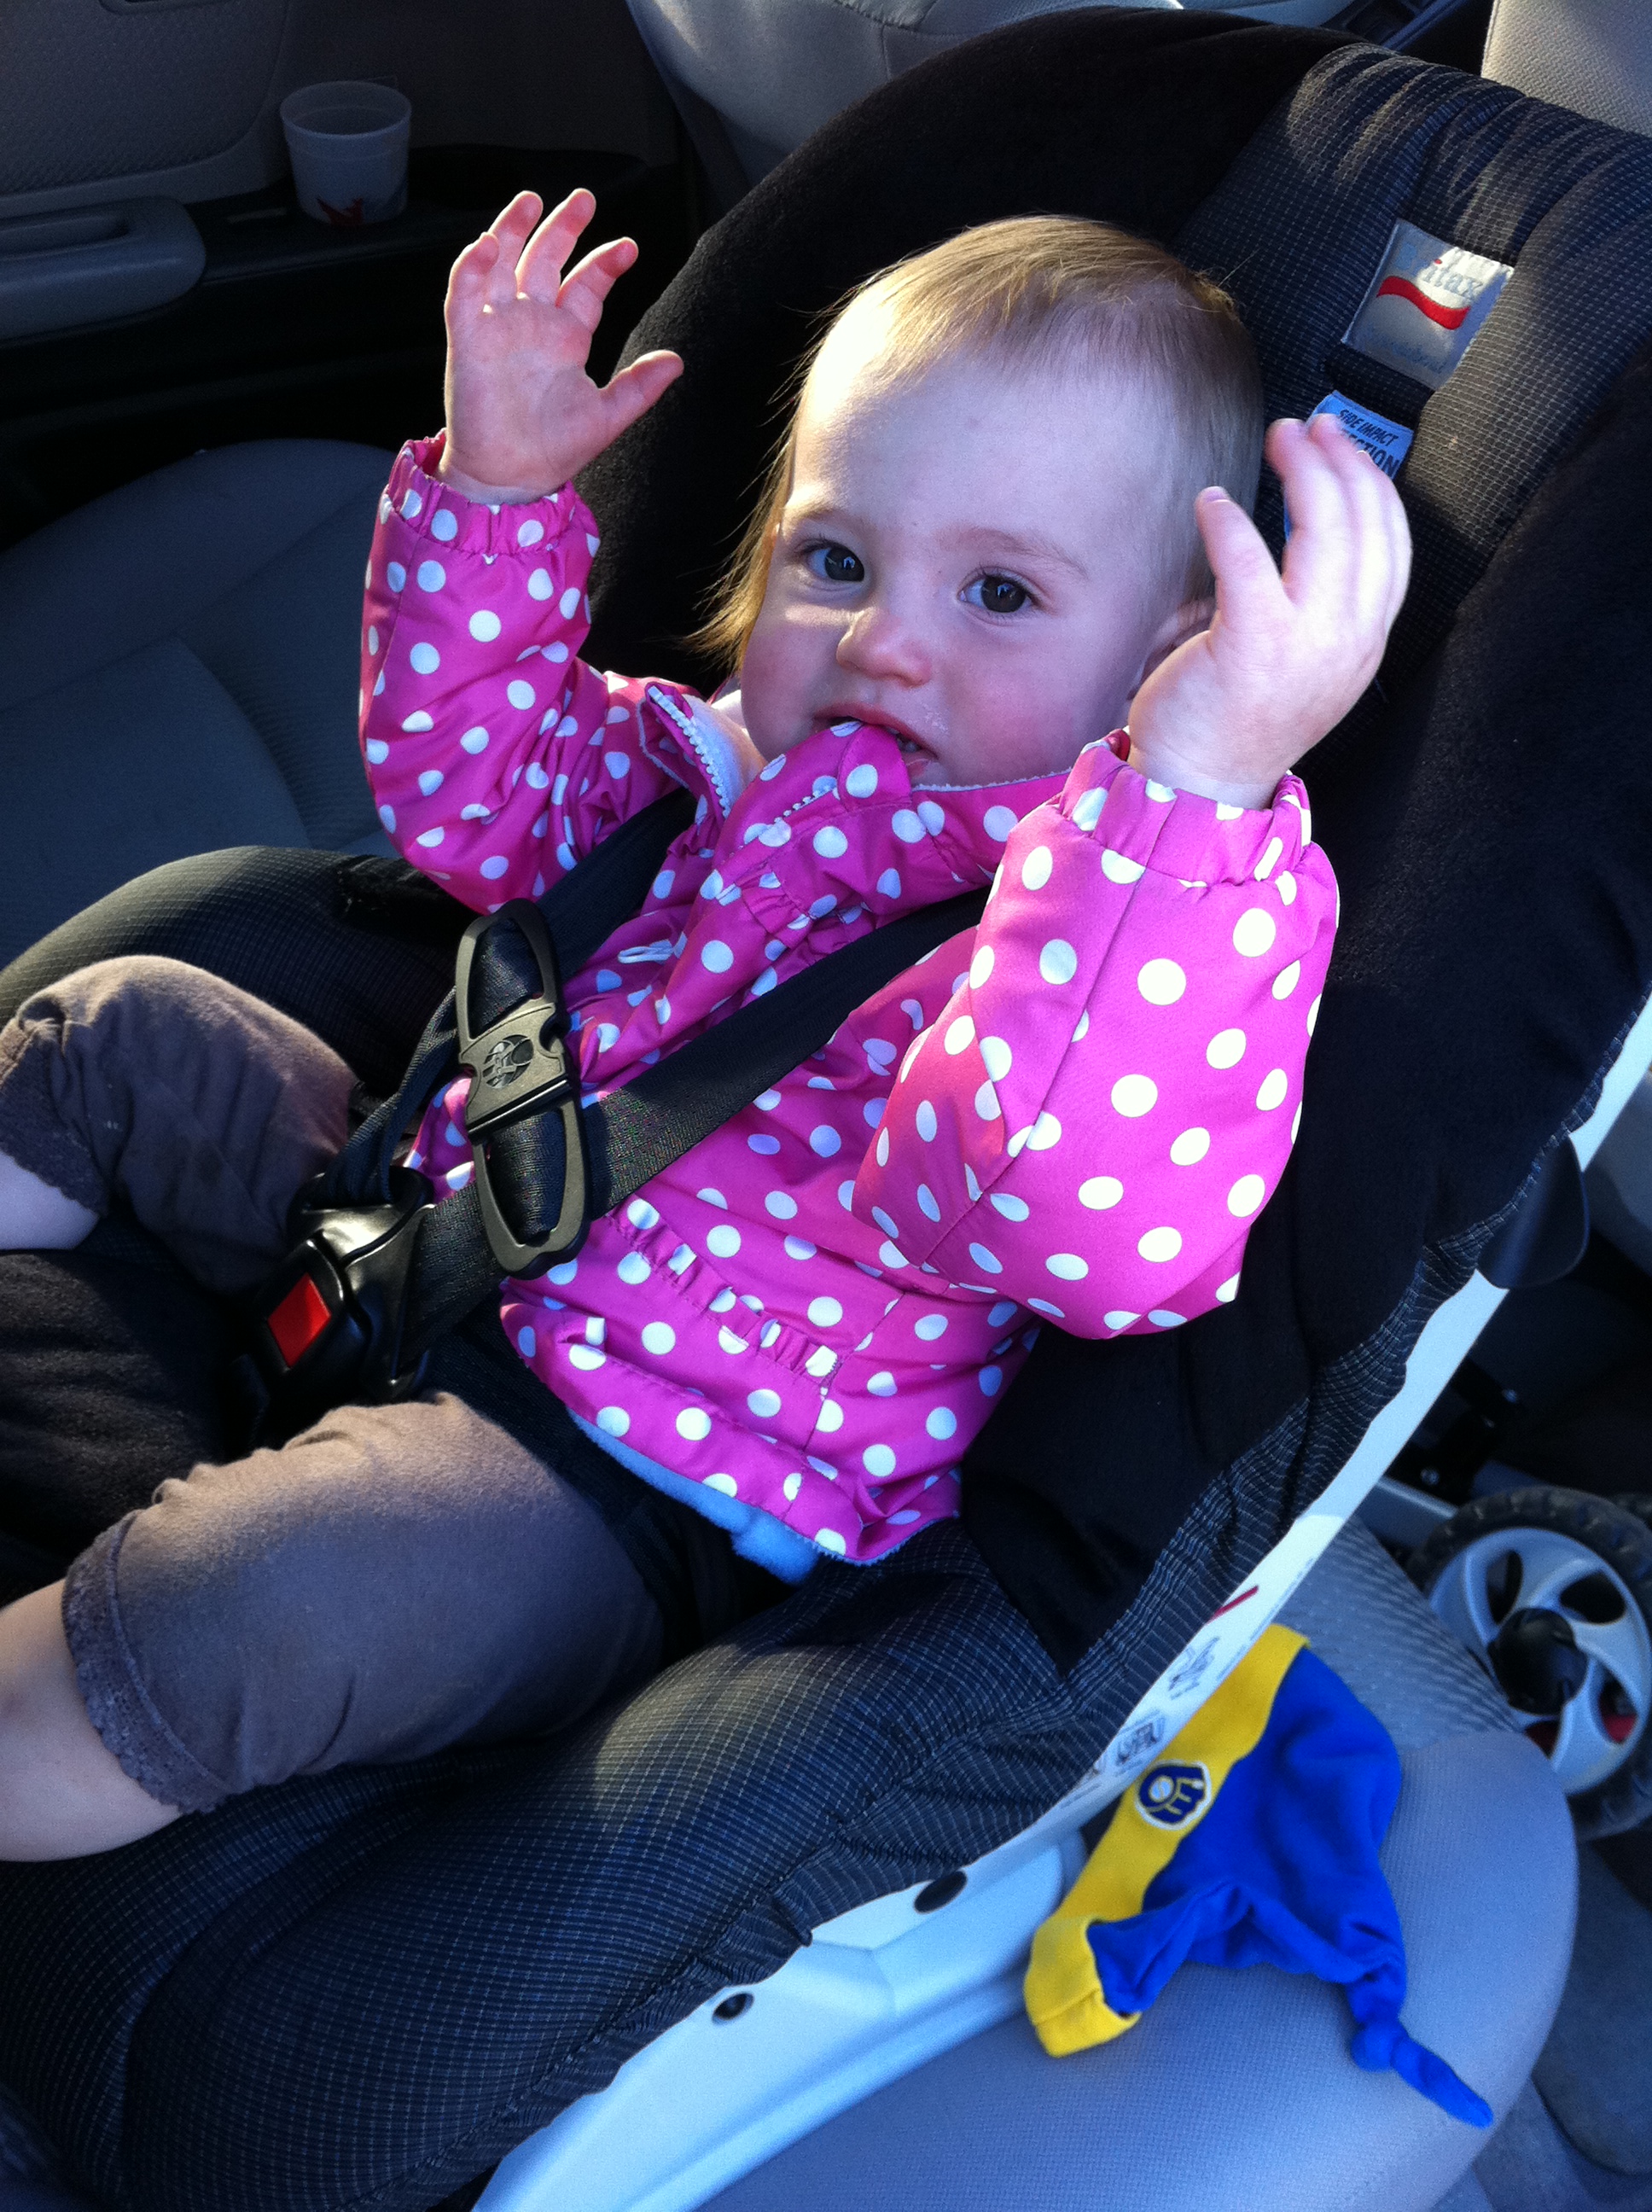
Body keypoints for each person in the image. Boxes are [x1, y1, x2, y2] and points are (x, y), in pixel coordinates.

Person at [0, 190, 1408, 1859]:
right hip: (417, 1226)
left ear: (1170, 657)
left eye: (1000, 594)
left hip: (625, 1473)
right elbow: (475, 808)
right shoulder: (729, 774)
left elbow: (1052, 1209)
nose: (882, 641)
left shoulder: (1130, 926)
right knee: (117, 1033)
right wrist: (496, 497)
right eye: (835, 559)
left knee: (233, 1611)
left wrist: (1185, 796)